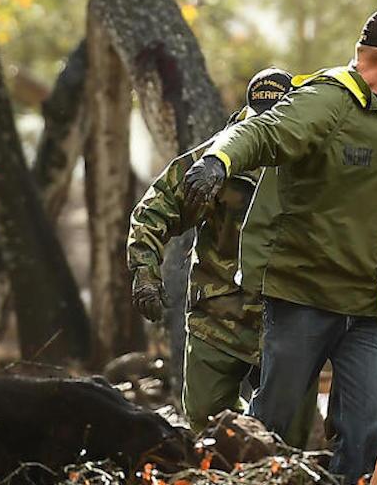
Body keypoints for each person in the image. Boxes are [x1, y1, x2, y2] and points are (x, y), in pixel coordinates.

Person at [180, 5, 377, 485]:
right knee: (272, 423)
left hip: (371, 306)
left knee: (364, 429)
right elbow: (263, 130)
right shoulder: (328, 99)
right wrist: (219, 159)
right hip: (305, 296)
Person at [127, 68, 316, 440]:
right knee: (206, 429)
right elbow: (158, 207)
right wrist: (145, 270)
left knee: (287, 439)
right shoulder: (216, 158)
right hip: (219, 314)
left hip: (290, 317)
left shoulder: (316, 157)